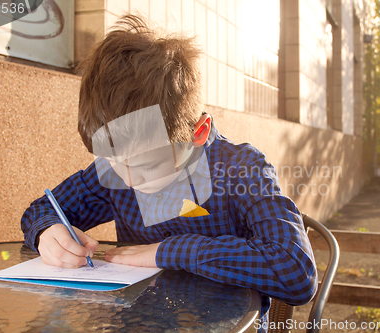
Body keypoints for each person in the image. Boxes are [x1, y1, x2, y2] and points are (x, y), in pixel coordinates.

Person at [21, 14, 317, 330]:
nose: (129, 181)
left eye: (147, 167)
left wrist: (168, 252)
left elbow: (296, 273)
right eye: (115, 163)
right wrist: (46, 231)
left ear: (197, 134)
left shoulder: (242, 169)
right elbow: (43, 209)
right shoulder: (118, 171)